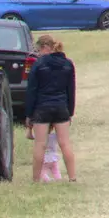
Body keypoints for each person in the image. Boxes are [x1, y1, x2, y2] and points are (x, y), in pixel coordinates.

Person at [25, 35, 77, 182]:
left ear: (45, 47)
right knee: (65, 143)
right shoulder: (68, 64)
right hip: (61, 106)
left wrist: (29, 114)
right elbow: (71, 90)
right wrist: (70, 112)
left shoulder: (39, 64)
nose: (38, 53)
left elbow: (32, 90)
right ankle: (72, 177)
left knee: (40, 144)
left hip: (42, 107)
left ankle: (36, 179)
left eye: (39, 50)